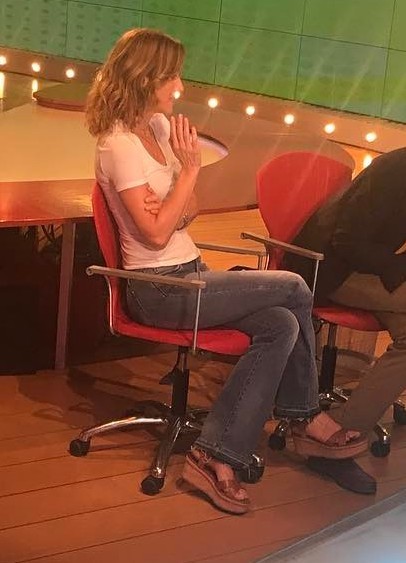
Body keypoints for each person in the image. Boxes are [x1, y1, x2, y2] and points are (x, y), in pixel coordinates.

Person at [86, 27, 368, 515]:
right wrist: (187, 175)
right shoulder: (118, 146)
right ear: (145, 77)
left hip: (190, 271)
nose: (179, 87)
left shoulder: (157, 129)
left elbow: (188, 210)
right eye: (172, 76)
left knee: (280, 323)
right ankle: (305, 417)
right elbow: (156, 235)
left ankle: (214, 453)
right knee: (294, 286)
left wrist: (174, 202)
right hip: (159, 288)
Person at [284, 148, 406, 487]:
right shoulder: (394, 170)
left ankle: (339, 433)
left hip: (366, 268)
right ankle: (331, 443)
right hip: (327, 268)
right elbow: (347, 241)